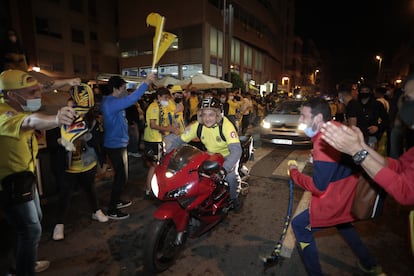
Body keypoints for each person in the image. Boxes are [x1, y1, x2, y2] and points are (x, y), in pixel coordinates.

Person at [288, 98, 382, 275]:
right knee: (344, 224)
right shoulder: (336, 128)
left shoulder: (322, 143)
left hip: (337, 197)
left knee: (300, 226)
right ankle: (370, 264)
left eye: (303, 116)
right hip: (349, 191)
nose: (300, 120)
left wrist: (294, 174)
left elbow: (318, 187)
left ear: (318, 118)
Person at [0, 69, 77, 275]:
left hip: (26, 177)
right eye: (32, 93)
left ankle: (22, 263)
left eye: (37, 91)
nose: (38, 96)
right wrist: (56, 119)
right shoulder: (3, 113)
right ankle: (25, 270)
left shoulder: (18, 100)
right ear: (11, 95)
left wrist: (69, 79)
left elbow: (47, 86)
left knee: (30, 223)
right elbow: (30, 122)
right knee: (30, 229)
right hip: (10, 183)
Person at [320, 75, 414, 206]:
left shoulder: (363, 105)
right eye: (406, 99)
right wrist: (362, 146)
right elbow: (397, 167)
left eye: (409, 99)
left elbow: (405, 191)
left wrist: (357, 150)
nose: (405, 106)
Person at [52, 84, 108, 241]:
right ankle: (59, 224)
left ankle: (96, 211)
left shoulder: (91, 122)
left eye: (75, 107)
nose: (73, 110)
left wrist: (87, 139)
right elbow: (51, 141)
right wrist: (60, 141)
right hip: (67, 166)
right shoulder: (59, 122)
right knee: (65, 194)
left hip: (86, 163)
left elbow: (97, 143)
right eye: (69, 108)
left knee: (90, 188)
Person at [166, 97, 243, 209]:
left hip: (227, 156)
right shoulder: (198, 126)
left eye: (211, 114)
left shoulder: (226, 126)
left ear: (218, 115)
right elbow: (179, 140)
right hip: (210, 155)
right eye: (204, 114)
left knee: (231, 177)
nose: (207, 118)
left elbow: (236, 150)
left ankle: (235, 197)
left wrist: (224, 169)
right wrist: (167, 155)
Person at [100, 73, 154, 220]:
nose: (125, 90)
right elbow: (132, 98)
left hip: (118, 144)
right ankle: (112, 209)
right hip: (115, 145)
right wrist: (145, 83)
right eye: (124, 88)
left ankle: (116, 201)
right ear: (116, 89)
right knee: (121, 177)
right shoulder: (111, 102)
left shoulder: (112, 101)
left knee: (122, 176)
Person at [143, 87, 180, 199]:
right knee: (154, 166)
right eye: (165, 98)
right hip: (152, 140)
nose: (167, 100)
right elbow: (153, 125)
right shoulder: (154, 107)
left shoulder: (160, 107)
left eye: (168, 98)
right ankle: (149, 190)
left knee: (157, 165)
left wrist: (166, 131)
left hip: (158, 139)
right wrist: (168, 128)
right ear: (158, 97)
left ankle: (153, 187)